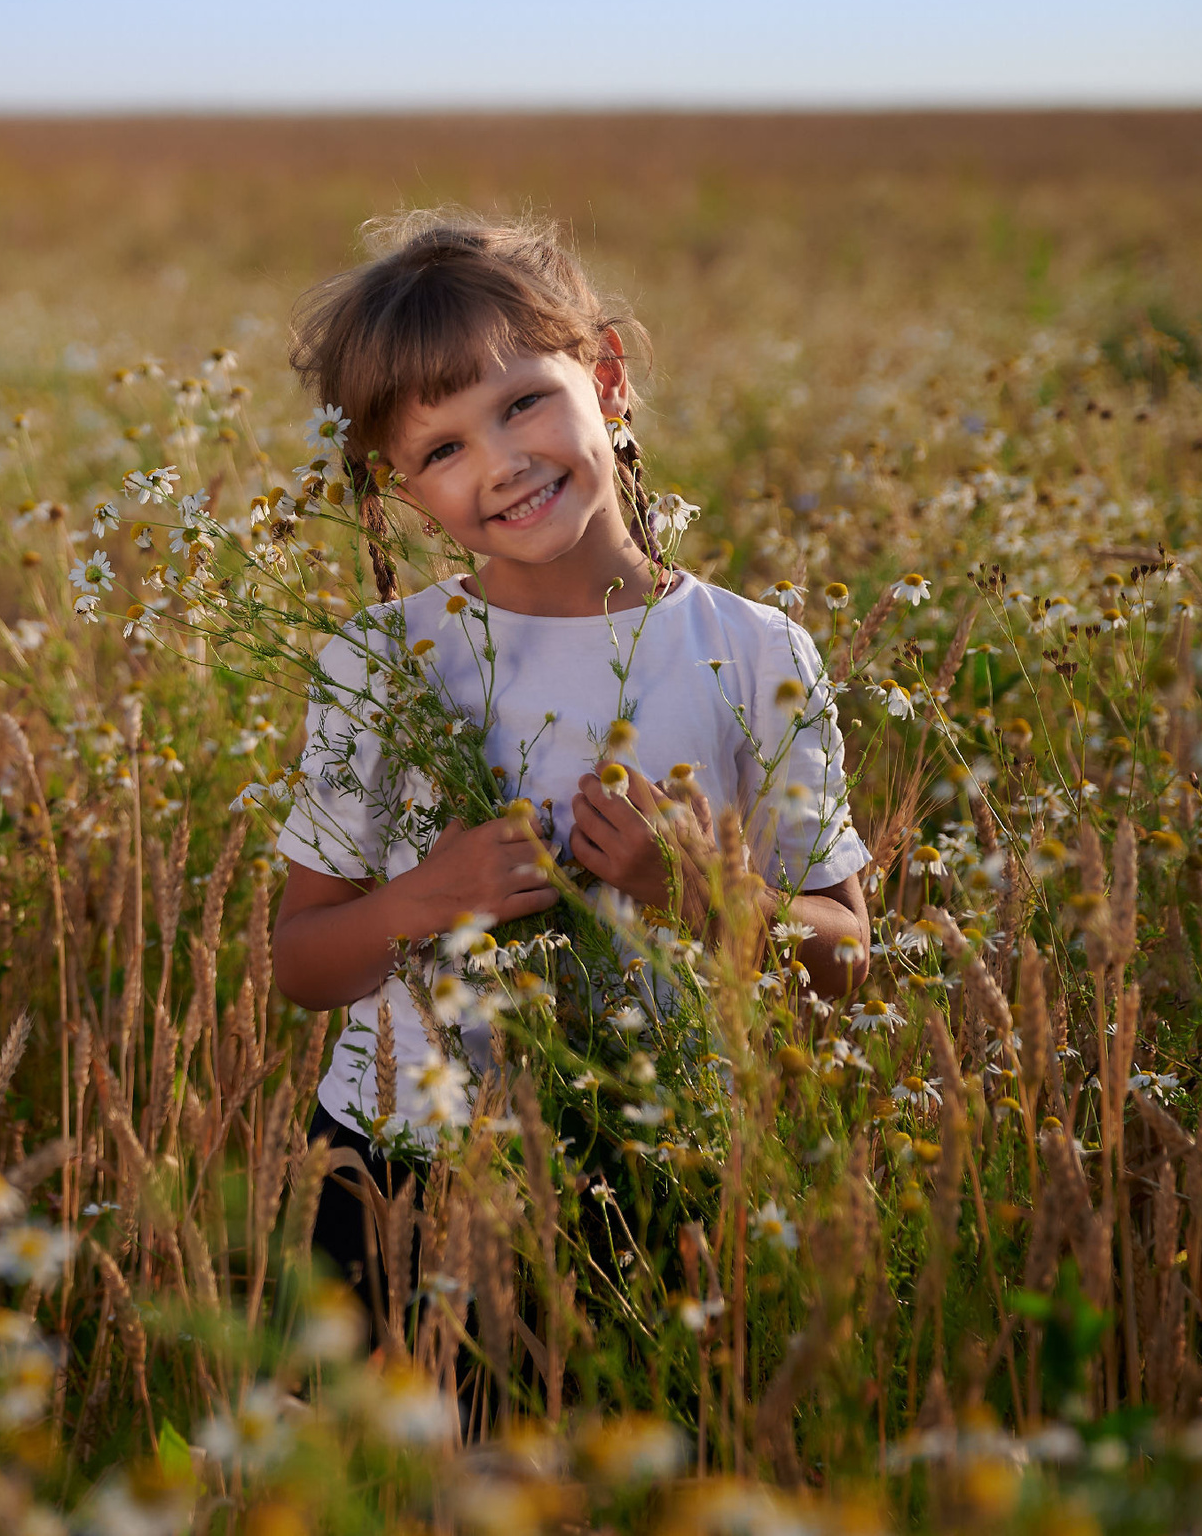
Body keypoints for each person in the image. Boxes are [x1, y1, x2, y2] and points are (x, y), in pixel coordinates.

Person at [269, 211, 871, 1345]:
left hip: (657, 1166)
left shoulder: (753, 650)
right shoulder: (380, 662)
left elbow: (847, 954)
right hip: (397, 1168)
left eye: (521, 402)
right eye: (441, 449)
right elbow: (301, 960)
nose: (498, 462)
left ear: (605, 374)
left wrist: (699, 891)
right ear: (400, 489)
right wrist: (421, 902)